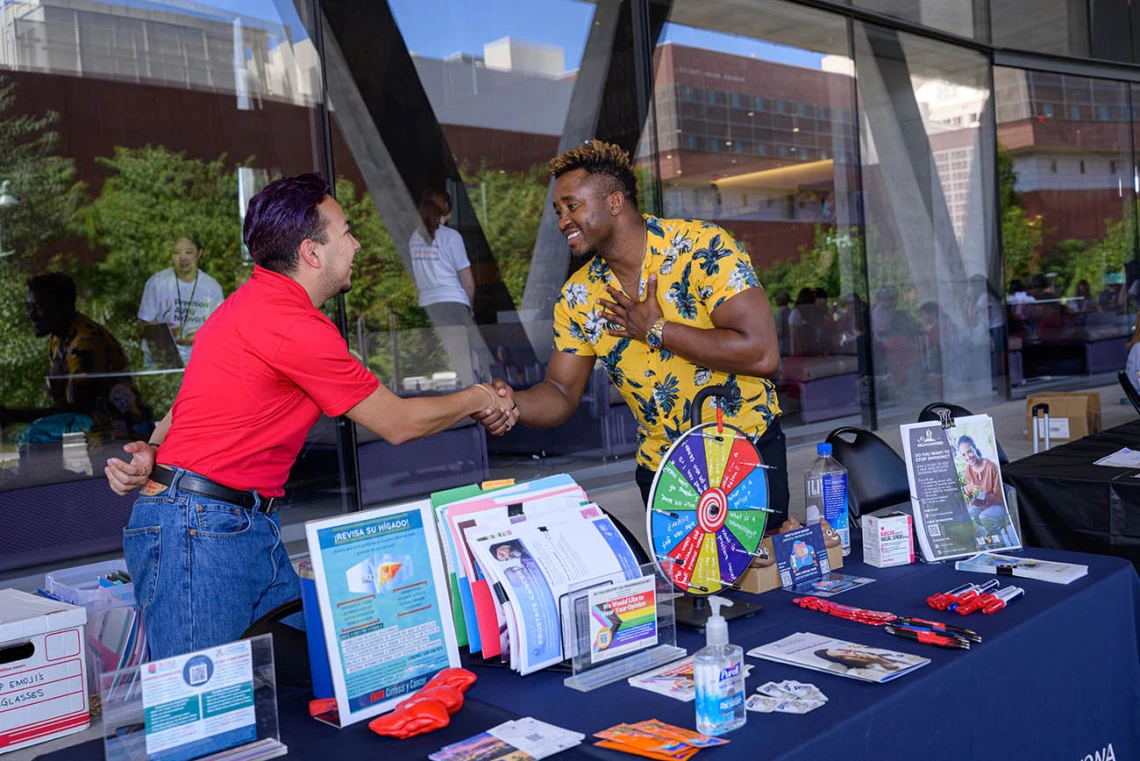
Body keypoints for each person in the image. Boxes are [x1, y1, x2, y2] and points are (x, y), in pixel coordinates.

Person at [104, 173, 515, 659]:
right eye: (346, 231)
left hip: (231, 523)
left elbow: (183, 409)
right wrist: (482, 397)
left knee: (325, 665)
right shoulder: (293, 324)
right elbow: (398, 422)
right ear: (312, 253)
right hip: (203, 530)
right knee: (202, 706)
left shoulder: (247, 303)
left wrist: (154, 452)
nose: (358, 244)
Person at [474, 140, 786, 522]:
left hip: (745, 453)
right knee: (688, 584)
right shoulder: (578, 295)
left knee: (765, 579)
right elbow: (560, 391)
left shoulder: (702, 248)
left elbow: (762, 354)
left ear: (614, 203)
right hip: (664, 472)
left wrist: (656, 329)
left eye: (572, 206)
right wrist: (514, 405)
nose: (562, 222)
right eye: (558, 211)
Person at [1, 273, 135, 434]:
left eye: (38, 307)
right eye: (28, 307)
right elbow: (59, 395)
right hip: (95, 435)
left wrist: (13, 416)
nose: (30, 315)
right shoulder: (57, 339)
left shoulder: (85, 343)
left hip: (119, 435)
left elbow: (77, 410)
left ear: (63, 306)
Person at [409, 187, 481, 385]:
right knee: (464, 360)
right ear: (446, 208)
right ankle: (472, 402)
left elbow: (417, 279)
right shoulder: (451, 237)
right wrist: (470, 307)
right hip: (453, 303)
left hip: (428, 305)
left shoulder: (415, 238)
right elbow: (468, 282)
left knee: (437, 363)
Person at [138, 236, 225, 365]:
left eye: (188, 252)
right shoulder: (157, 283)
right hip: (161, 359)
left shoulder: (212, 287)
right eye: (176, 252)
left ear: (199, 253)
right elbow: (145, 323)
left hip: (199, 358)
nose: (183, 258)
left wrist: (197, 336)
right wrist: (164, 334)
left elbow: (220, 328)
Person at [956, 434, 1009, 538]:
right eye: (963, 454)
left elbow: (1000, 498)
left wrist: (982, 495)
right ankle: (987, 539)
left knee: (984, 517)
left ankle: (999, 542)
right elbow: (976, 502)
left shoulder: (991, 467)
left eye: (969, 451)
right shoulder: (968, 470)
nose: (967, 457)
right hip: (983, 506)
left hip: (999, 507)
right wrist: (970, 497)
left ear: (975, 448)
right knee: (968, 515)